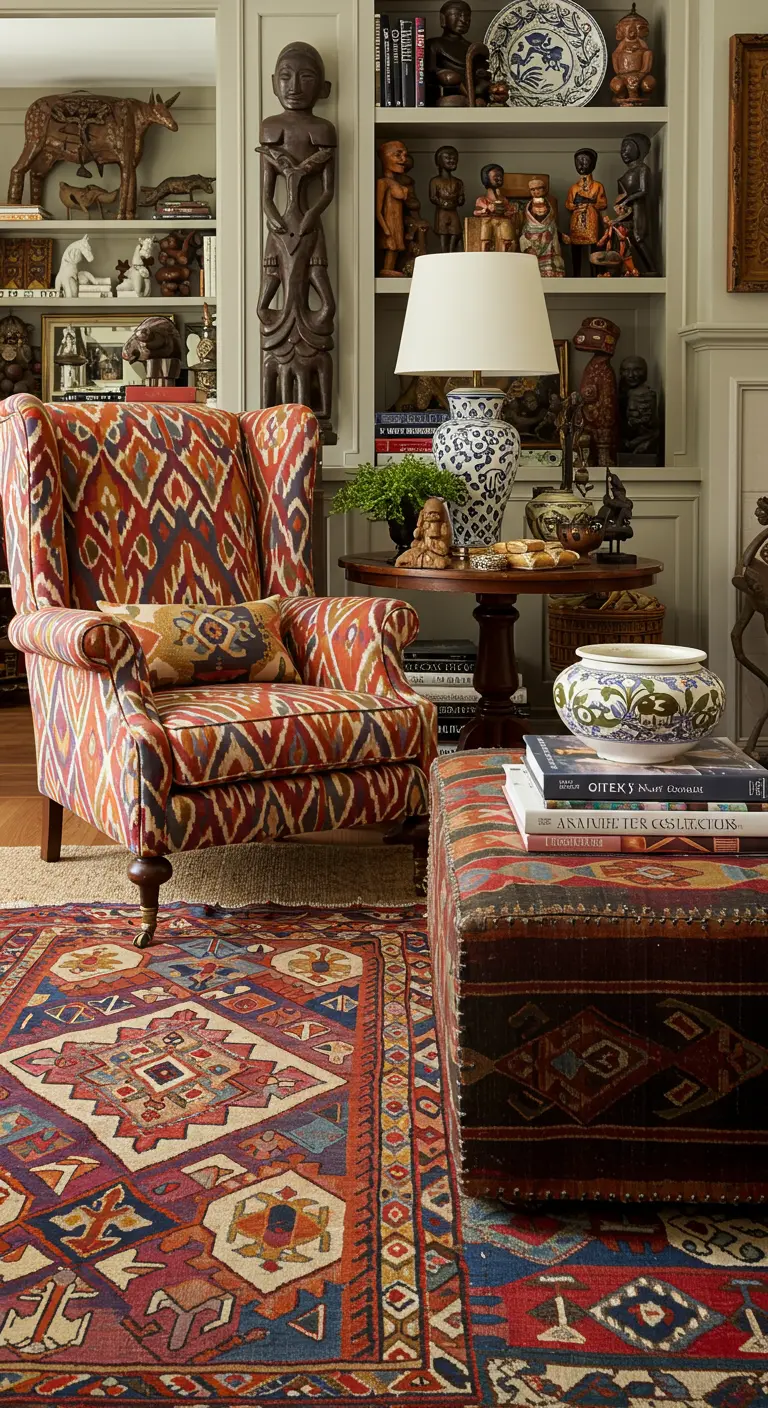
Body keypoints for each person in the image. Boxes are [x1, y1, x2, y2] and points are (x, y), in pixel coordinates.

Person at [256, 42, 337, 427]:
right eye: (285, 76)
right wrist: (274, 220)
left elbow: (327, 191)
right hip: (277, 228)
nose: (294, 85)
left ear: (324, 88)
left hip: (309, 224)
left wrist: (307, 220)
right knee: (268, 299)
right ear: (273, 83)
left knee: (321, 293)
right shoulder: (270, 127)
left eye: (306, 77)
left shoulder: (323, 129)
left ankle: (313, 402)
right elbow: (264, 193)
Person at [426, 0, 490, 106]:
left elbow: (481, 74)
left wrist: (481, 74)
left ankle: (470, 100)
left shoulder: (472, 47)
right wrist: (442, 73)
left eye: (467, 16)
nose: (464, 20)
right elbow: (429, 71)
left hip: (473, 91)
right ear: (443, 18)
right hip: (449, 91)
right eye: (457, 14)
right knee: (448, 100)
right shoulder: (433, 44)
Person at [564, 148, 607, 277]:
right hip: (577, 220)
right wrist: (576, 204)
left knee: (594, 247)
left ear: (592, 164)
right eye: (578, 161)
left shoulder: (597, 186)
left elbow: (602, 203)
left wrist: (590, 202)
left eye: (585, 161)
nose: (581, 164)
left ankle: (595, 274)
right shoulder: (574, 187)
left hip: (591, 219)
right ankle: (576, 274)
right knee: (576, 247)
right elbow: (568, 204)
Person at [519, 177, 565, 276]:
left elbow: (552, 220)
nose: (536, 192)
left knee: (549, 241)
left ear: (544, 190)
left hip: (548, 232)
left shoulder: (550, 203)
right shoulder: (528, 205)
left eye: (539, 189)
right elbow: (525, 221)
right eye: (533, 190)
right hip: (531, 232)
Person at [473, 163, 518, 252]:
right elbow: (476, 212)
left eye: (501, 176)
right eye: (496, 177)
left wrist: (510, 211)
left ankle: (505, 254)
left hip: (503, 220)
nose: (499, 179)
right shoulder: (482, 199)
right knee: (486, 239)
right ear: (486, 178)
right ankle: (484, 254)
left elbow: (509, 210)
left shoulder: (503, 199)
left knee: (508, 239)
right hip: (488, 221)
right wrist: (485, 210)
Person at [429, 146, 465, 253]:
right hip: (442, 212)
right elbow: (433, 197)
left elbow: (461, 196)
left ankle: (451, 252)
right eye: (448, 158)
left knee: (456, 231)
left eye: (454, 158)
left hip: (453, 211)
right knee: (443, 233)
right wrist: (442, 203)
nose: (452, 161)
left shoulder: (458, 182)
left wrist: (460, 199)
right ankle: (444, 252)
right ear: (439, 161)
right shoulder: (435, 181)